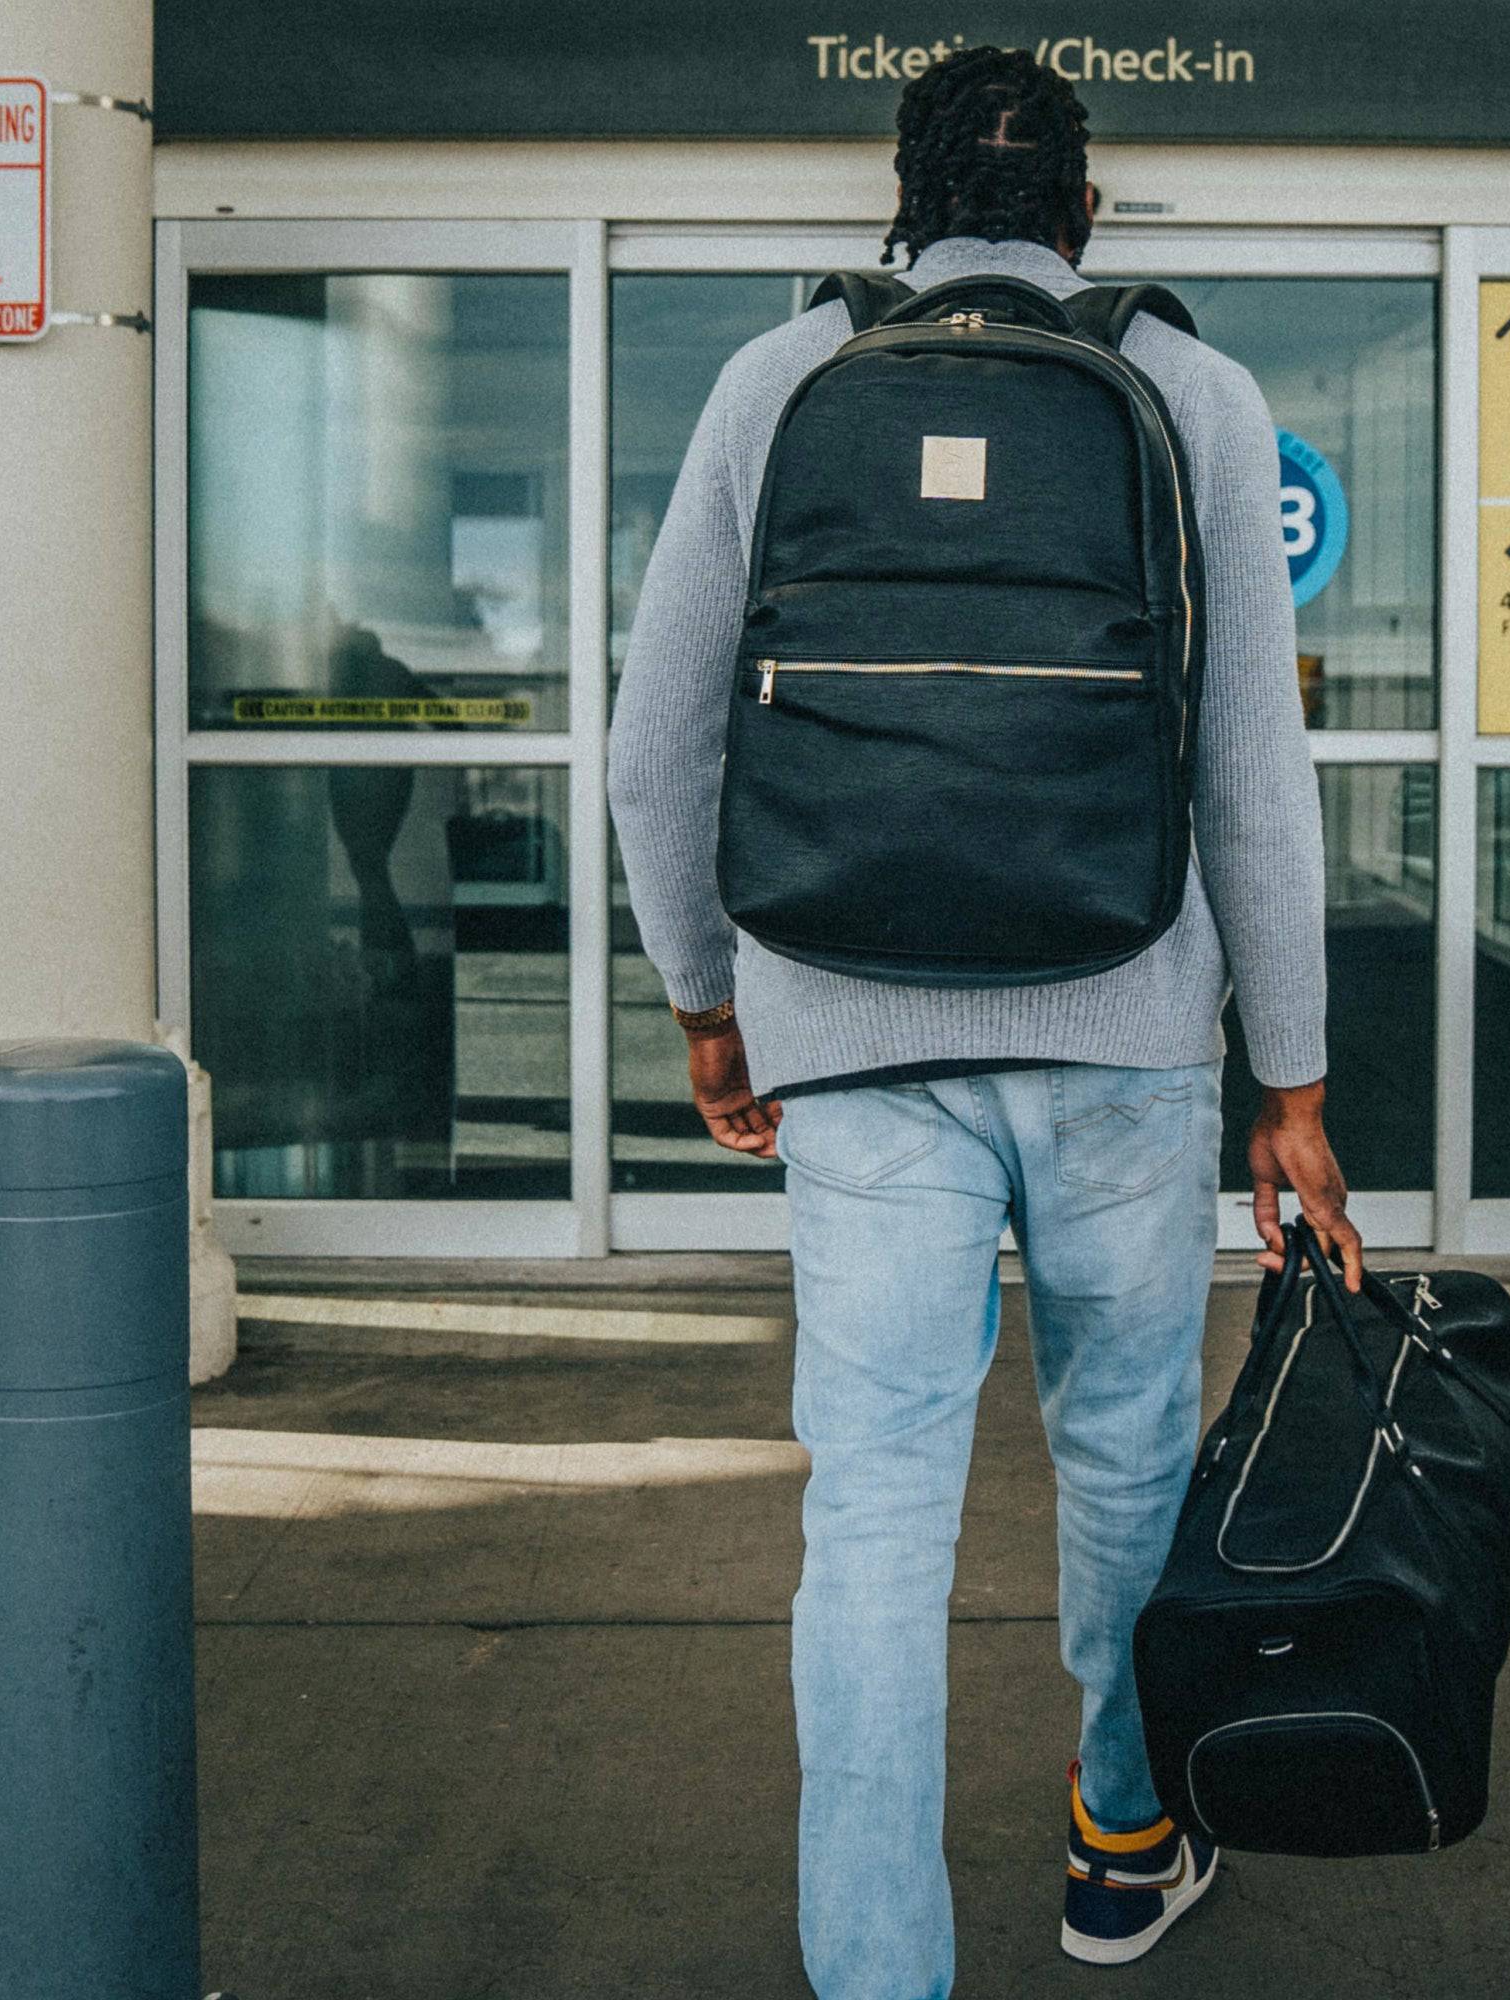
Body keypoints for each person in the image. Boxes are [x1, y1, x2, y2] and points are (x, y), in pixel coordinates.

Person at [608, 44, 1360, 2000]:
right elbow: (1254, 779)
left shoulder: (777, 381)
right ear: (1085, 212)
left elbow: (654, 750)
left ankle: (876, 1967)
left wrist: (711, 1008)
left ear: (902, 199)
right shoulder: (1192, 390)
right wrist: (1288, 1081)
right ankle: (1121, 1846)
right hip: (1126, 1029)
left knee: (872, 1511)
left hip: (849, 1030)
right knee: (1124, 1461)